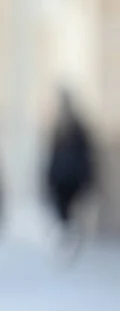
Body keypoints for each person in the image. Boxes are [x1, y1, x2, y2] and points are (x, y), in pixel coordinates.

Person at [46, 89, 94, 246]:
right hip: (62, 177)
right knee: (63, 211)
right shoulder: (58, 126)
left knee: (70, 211)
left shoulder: (76, 127)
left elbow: (84, 154)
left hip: (71, 177)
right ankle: (66, 239)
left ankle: (70, 238)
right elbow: (53, 154)